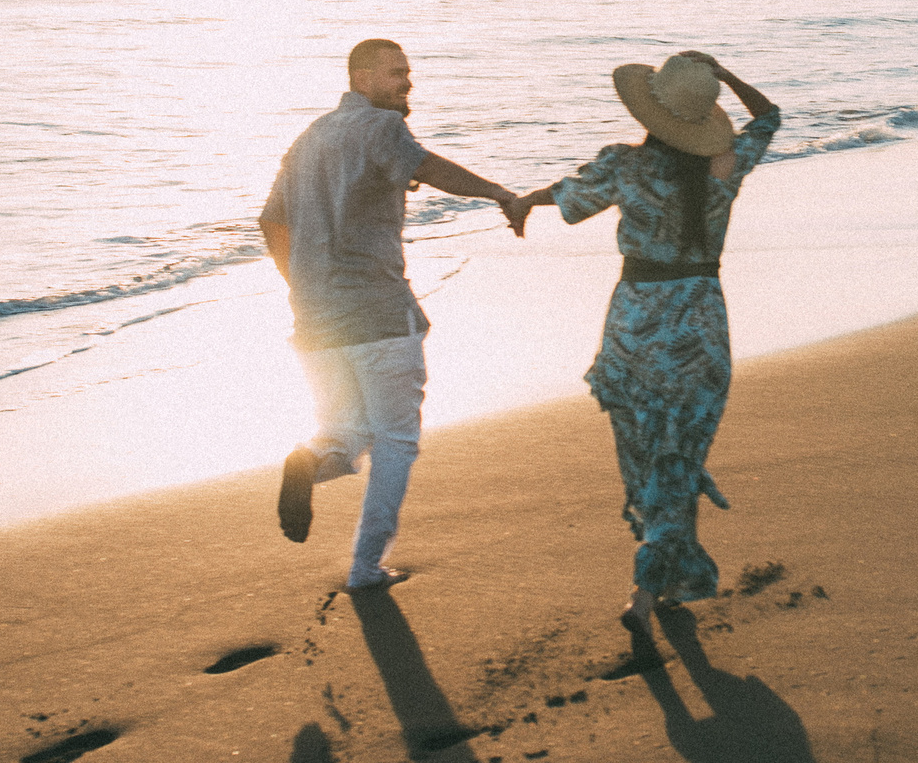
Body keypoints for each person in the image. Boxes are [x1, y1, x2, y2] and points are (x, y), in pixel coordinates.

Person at [513, 50, 778, 639]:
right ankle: (651, 585)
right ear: (705, 117)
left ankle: (655, 576)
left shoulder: (624, 166)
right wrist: (726, 79)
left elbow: (569, 200)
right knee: (679, 459)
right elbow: (769, 117)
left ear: (651, 110)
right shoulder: (727, 166)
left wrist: (520, 201)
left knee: (641, 453)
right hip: (699, 323)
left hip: (634, 324)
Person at [260, 38, 535, 592]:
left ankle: (307, 463)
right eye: (395, 74)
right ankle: (366, 568)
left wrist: (306, 288)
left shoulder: (308, 138)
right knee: (395, 441)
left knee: (343, 434)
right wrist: (497, 192)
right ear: (361, 78)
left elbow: (270, 222)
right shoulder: (382, 129)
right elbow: (428, 167)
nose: (407, 84)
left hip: (315, 320)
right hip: (379, 315)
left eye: (408, 74)